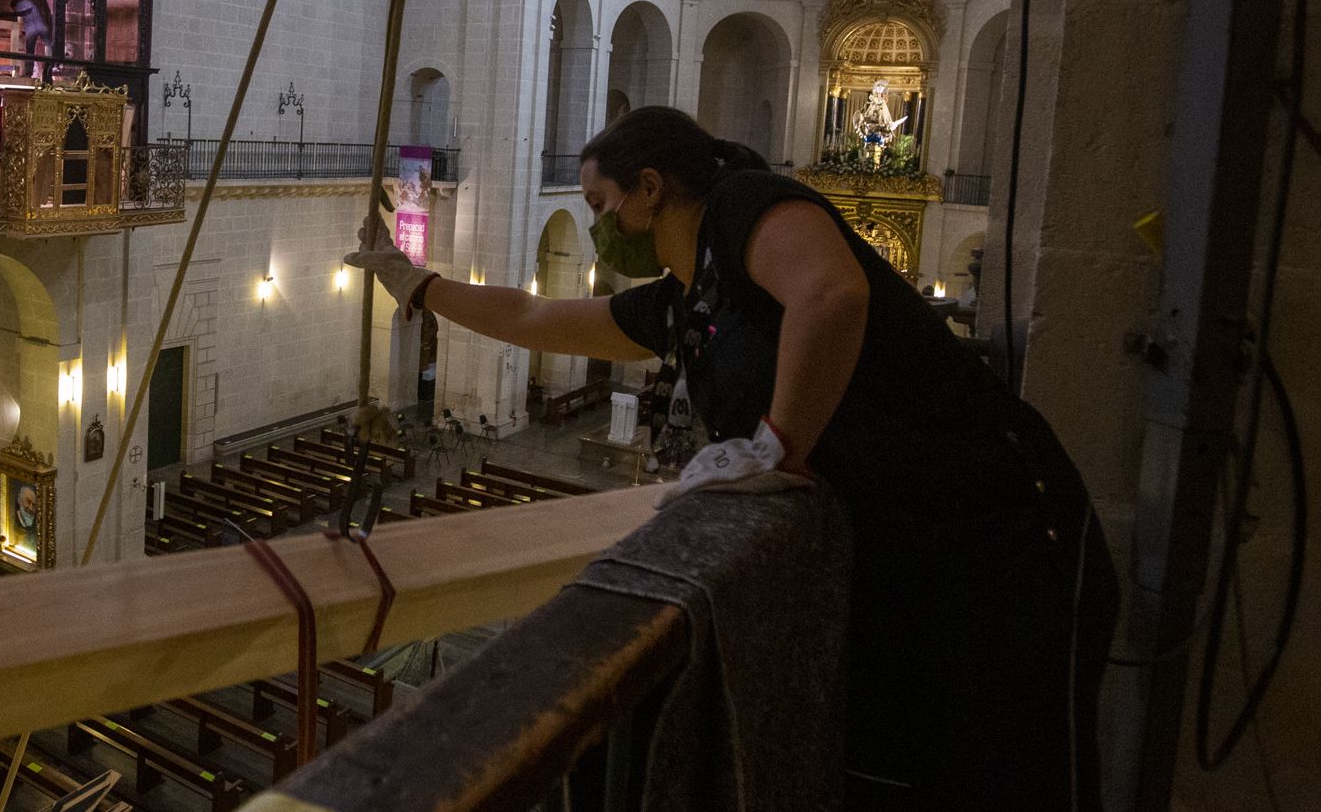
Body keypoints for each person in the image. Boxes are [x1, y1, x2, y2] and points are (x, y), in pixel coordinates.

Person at [346, 106, 1116, 810]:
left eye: (600, 206)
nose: (599, 229)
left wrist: (775, 446)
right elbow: (533, 313)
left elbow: (831, 296)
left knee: (1016, 778)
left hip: (1002, 541)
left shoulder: (746, 203)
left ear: (649, 189)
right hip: (900, 559)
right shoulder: (686, 302)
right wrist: (416, 283)